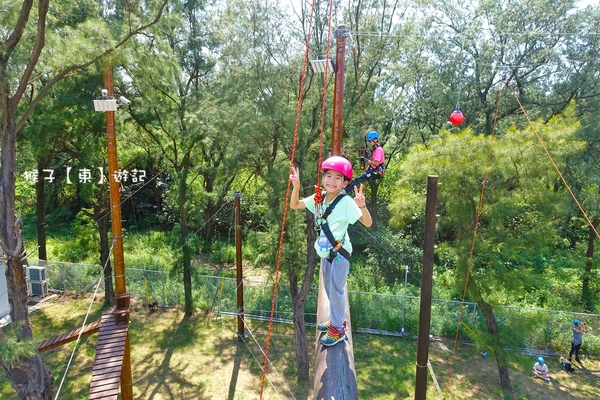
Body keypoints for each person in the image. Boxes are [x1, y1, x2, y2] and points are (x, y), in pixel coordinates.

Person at [290, 156, 372, 346]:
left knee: (335, 291)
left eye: (337, 178)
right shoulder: (320, 198)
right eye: (328, 176)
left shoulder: (346, 202)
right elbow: (295, 205)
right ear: (323, 178)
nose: (331, 181)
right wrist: (296, 187)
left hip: (339, 255)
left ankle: (338, 329)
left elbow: (367, 223)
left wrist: (362, 206)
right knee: (328, 288)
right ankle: (336, 320)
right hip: (327, 254)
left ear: (345, 183)